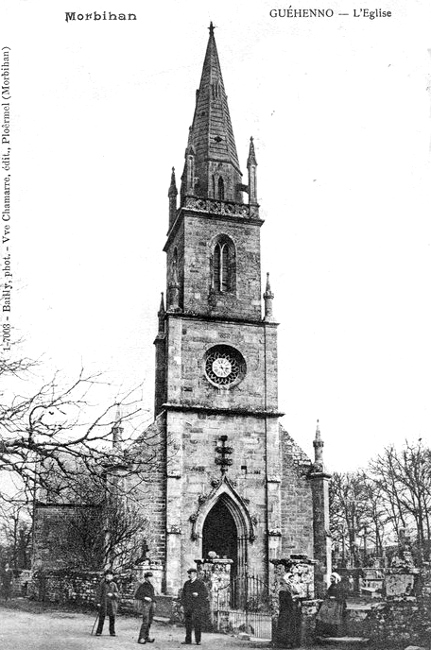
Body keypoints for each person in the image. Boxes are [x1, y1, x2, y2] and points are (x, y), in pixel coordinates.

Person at [181, 568, 209, 645]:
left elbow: (205, 594)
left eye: (190, 573)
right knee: (188, 623)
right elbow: (183, 594)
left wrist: (198, 594)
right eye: (189, 573)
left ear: (194, 574)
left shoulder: (200, 583)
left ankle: (198, 640)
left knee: (197, 623)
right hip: (188, 606)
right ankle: (188, 640)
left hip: (197, 606)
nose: (189, 575)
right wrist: (183, 604)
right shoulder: (186, 583)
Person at [274, 572, 301, 648]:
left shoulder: (291, 586)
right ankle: (284, 643)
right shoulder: (283, 588)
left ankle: (291, 642)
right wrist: (292, 599)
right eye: (290, 579)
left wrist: (295, 594)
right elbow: (283, 599)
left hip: (291, 609)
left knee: (291, 626)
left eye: (292, 579)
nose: (292, 580)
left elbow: (297, 593)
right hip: (285, 610)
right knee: (285, 626)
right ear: (287, 579)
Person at [315, 572, 346, 637]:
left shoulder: (340, 585)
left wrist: (335, 597)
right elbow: (328, 594)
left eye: (333, 578)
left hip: (338, 603)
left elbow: (343, 596)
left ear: (336, 578)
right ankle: (324, 631)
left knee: (332, 614)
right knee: (323, 612)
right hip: (330, 602)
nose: (331, 579)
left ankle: (334, 632)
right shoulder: (332, 585)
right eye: (330, 578)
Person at [95, 570, 119, 637]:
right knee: (101, 617)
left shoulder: (114, 584)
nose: (108, 576)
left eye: (110, 575)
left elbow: (117, 594)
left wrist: (113, 595)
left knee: (112, 618)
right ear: (105, 576)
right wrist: (98, 602)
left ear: (112, 577)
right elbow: (98, 593)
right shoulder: (102, 584)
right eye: (107, 575)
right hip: (104, 603)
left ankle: (112, 632)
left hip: (112, 603)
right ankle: (99, 631)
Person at [134, 571, 156, 644]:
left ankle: (146, 636)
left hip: (151, 605)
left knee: (149, 621)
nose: (151, 578)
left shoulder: (151, 586)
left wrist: (154, 602)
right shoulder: (143, 586)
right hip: (146, 605)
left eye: (151, 577)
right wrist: (145, 598)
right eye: (150, 577)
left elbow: (153, 596)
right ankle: (141, 638)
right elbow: (137, 595)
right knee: (145, 621)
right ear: (146, 578)